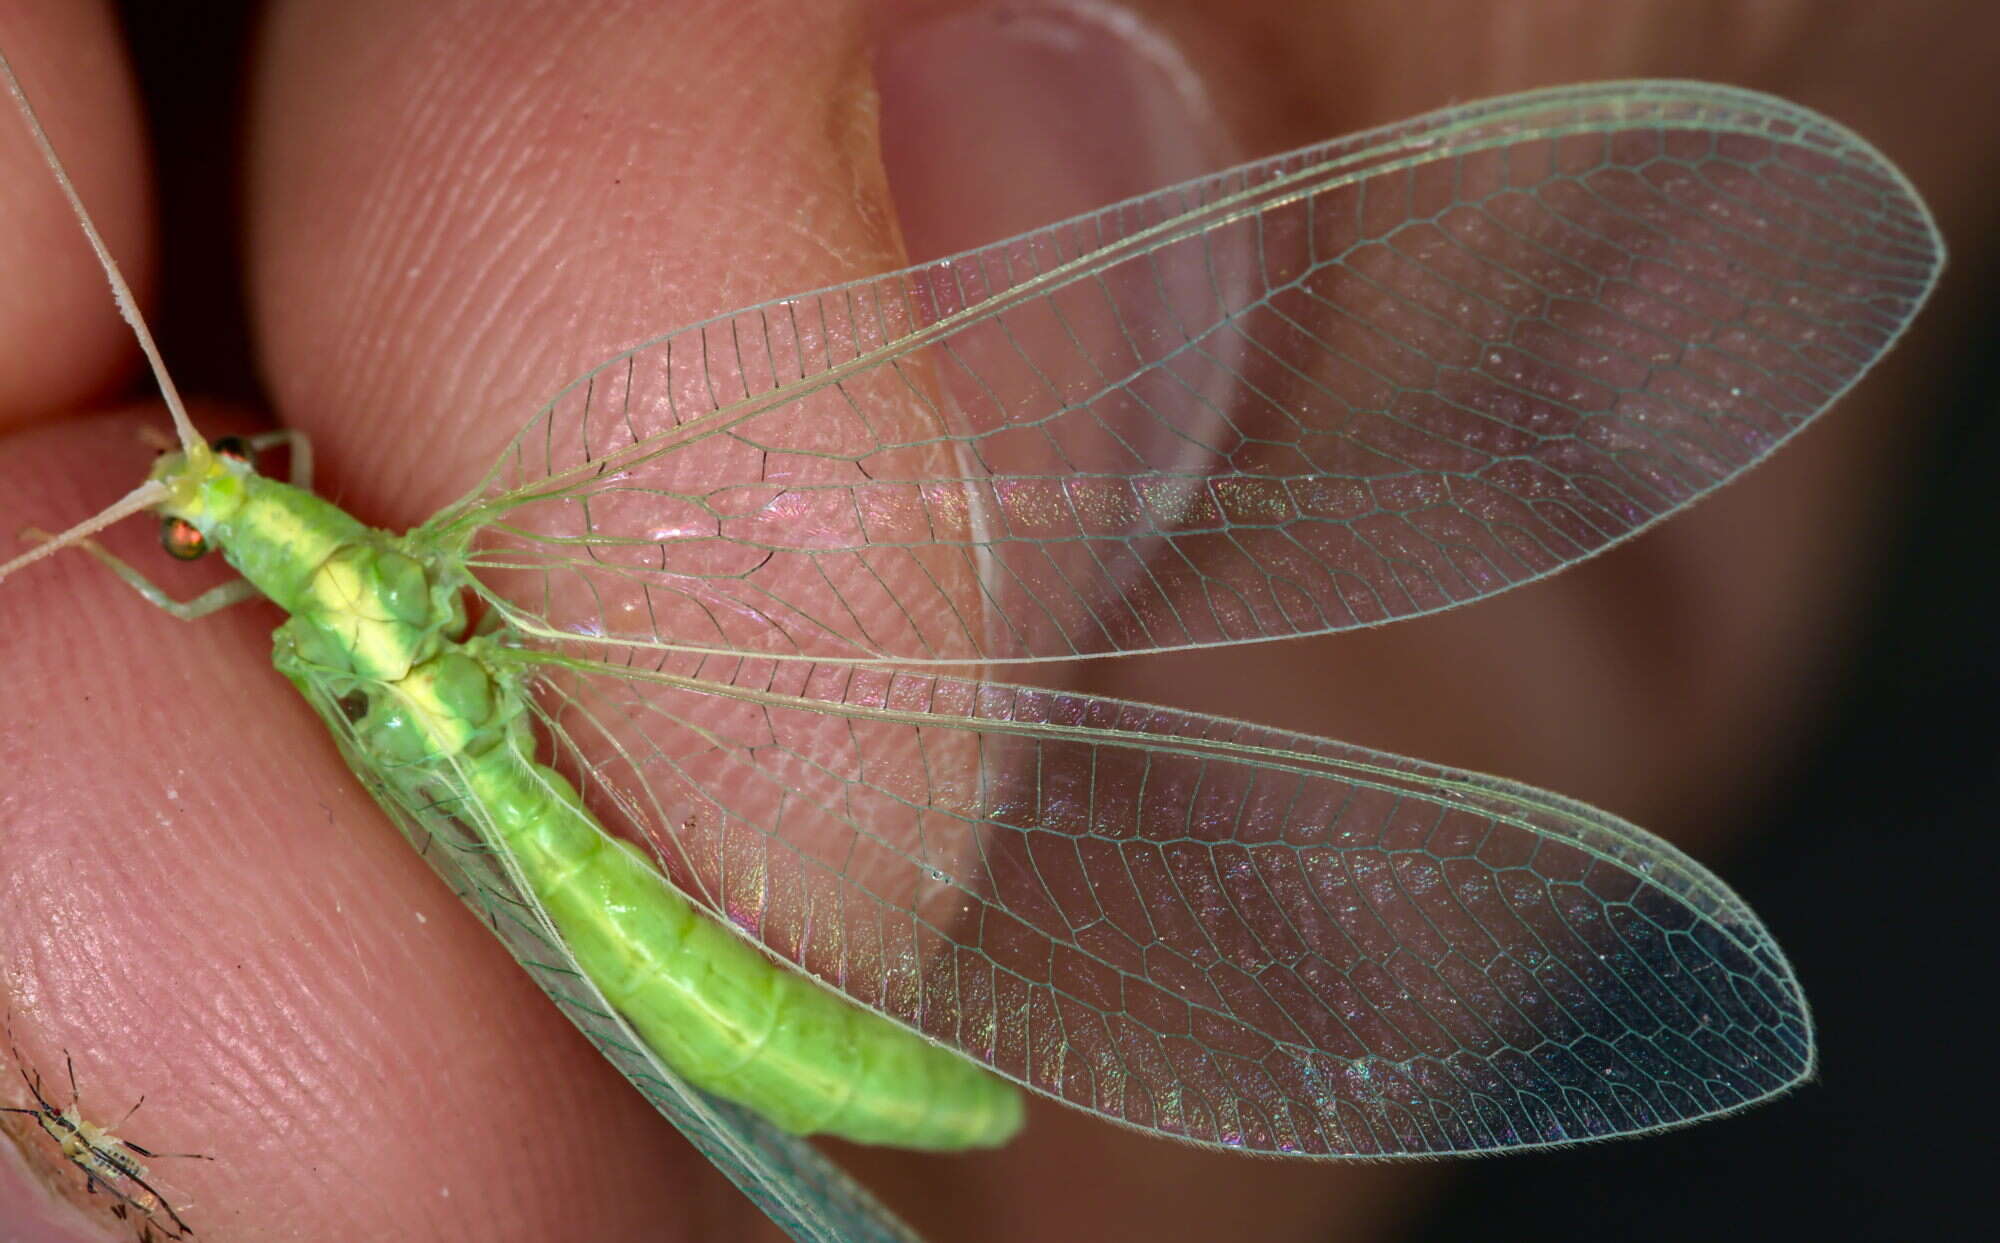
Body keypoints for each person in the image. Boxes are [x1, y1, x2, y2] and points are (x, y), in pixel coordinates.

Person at [2, 2, 1991, 1240]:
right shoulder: (381, 593)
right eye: (216, 505)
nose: (216, 498)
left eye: (221, 481)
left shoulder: (310, 618)